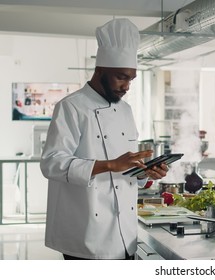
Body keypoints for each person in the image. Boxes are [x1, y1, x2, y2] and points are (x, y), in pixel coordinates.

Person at [40, 18, 168, 260]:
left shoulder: (126, 111)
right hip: (87, 235)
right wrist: (109, 164)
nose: (127, 86)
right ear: (100, 70)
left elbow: (126, 171)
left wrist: (144, 172)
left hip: (125, 236)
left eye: (131, 79)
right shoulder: (71, 107)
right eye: (121, 77)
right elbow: (51, 163)